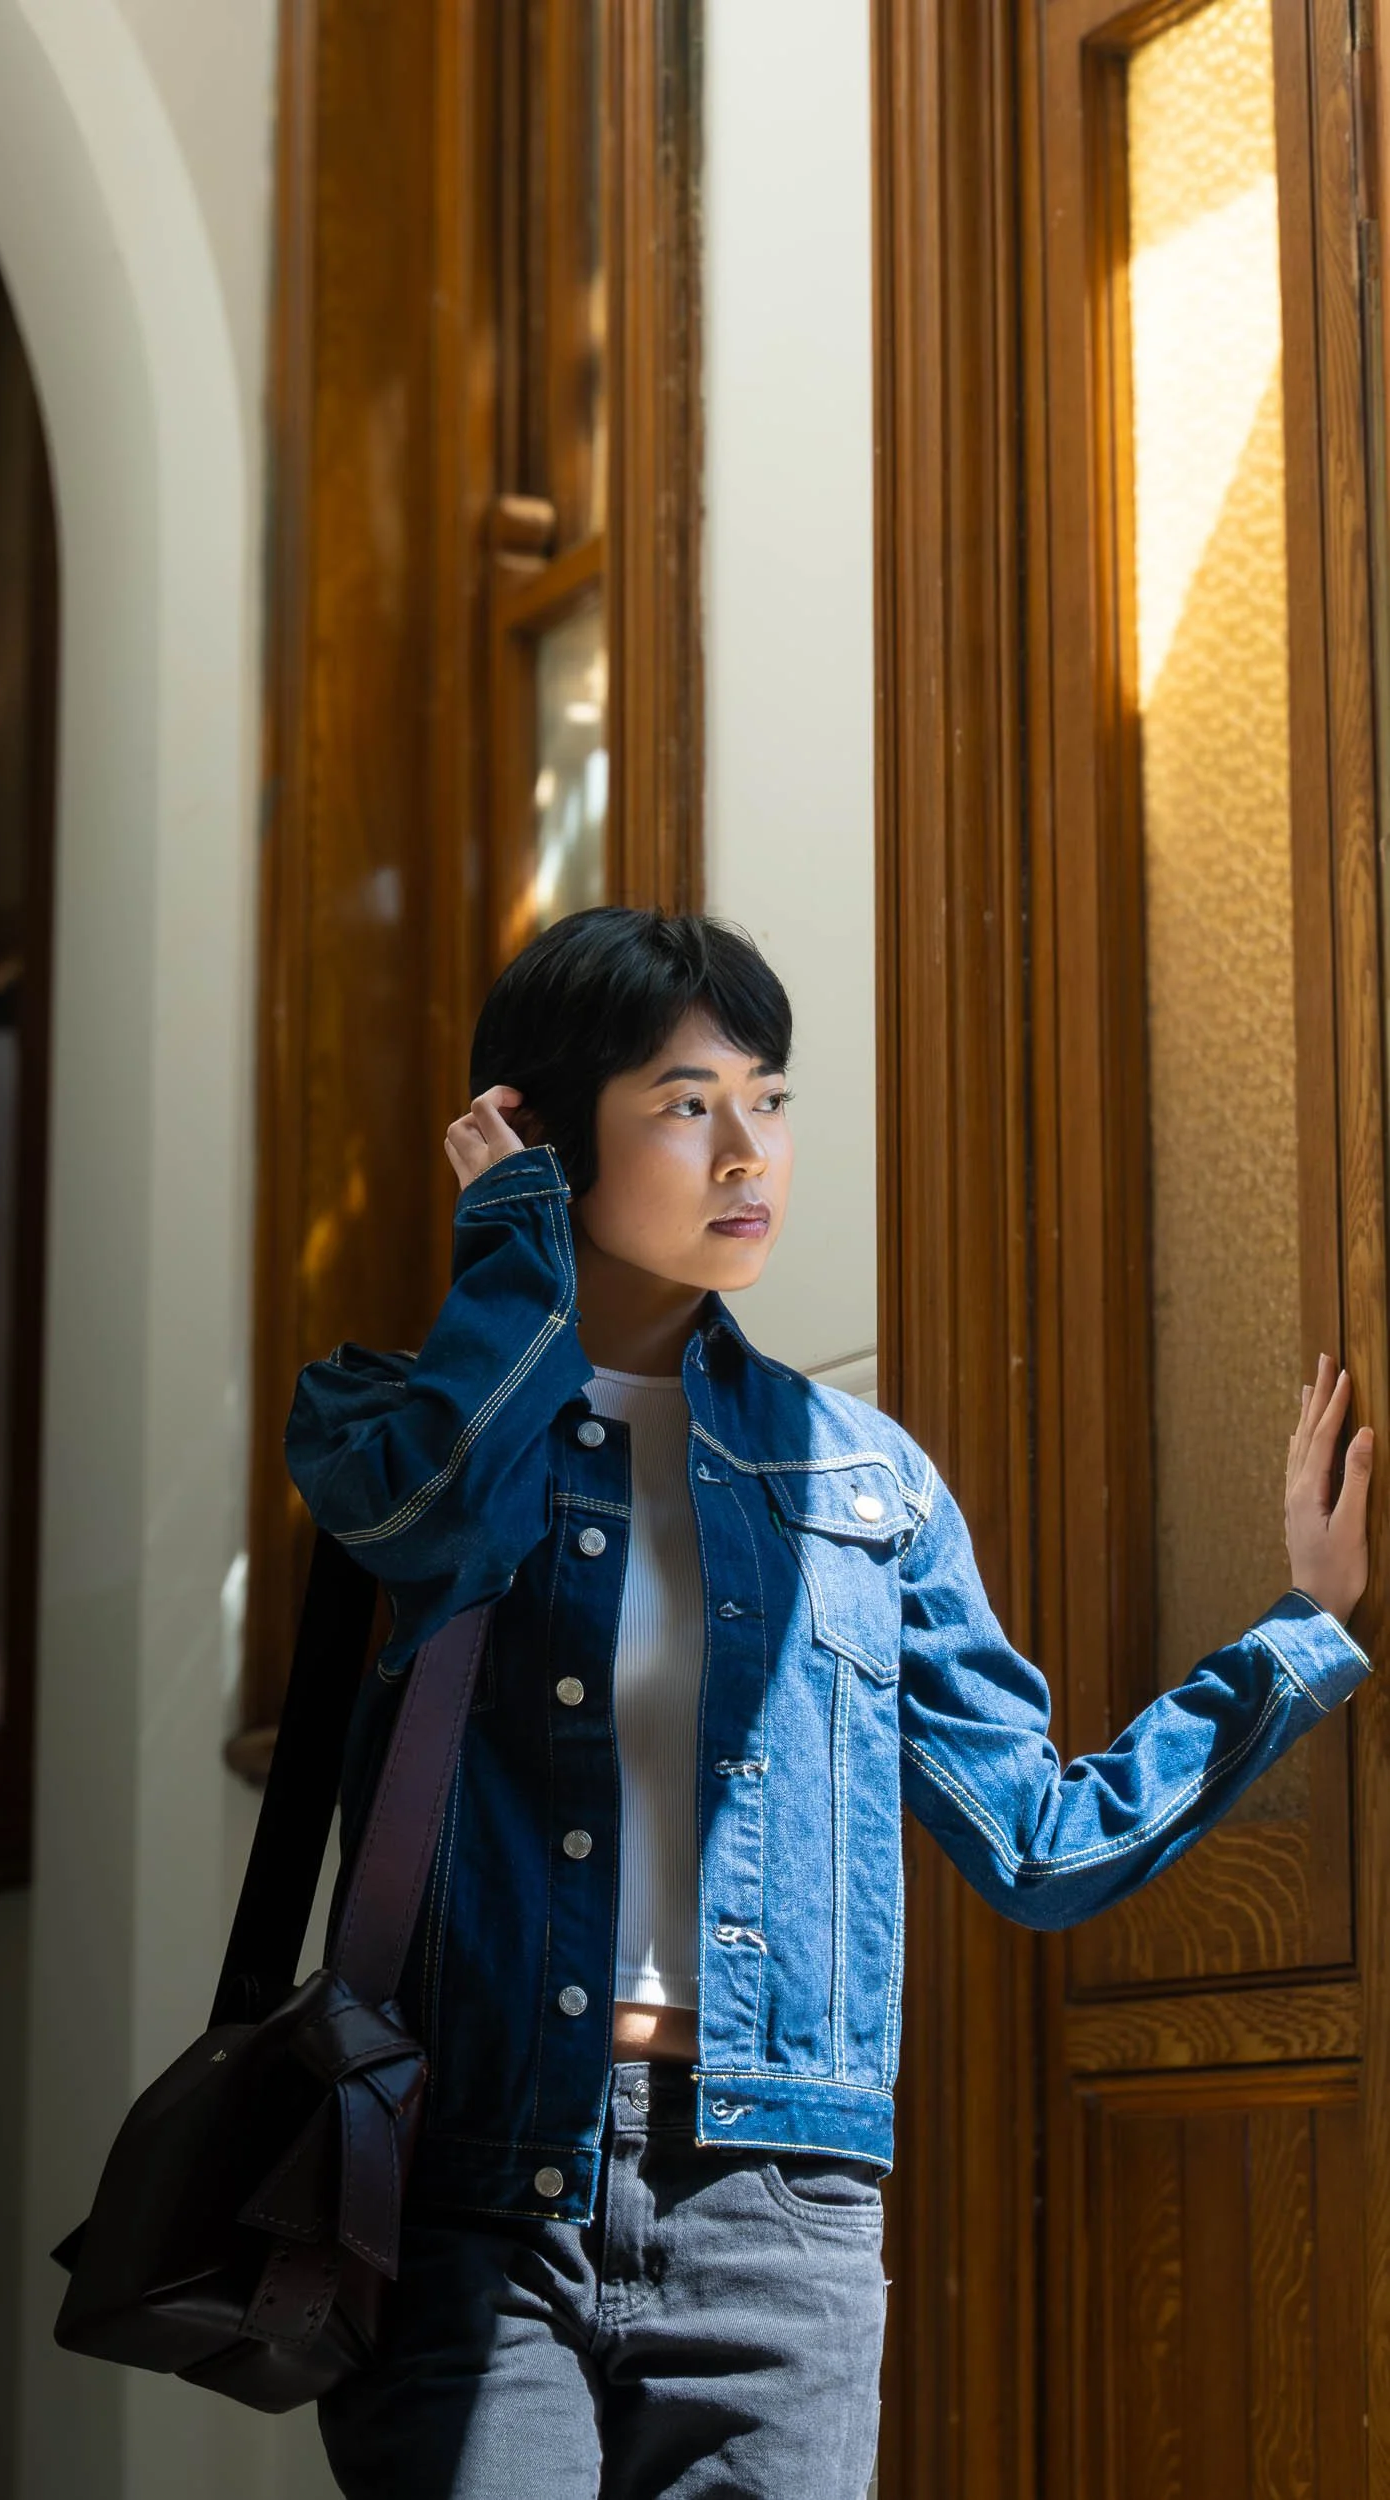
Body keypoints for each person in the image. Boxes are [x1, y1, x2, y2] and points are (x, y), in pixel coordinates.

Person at [284, 905, 1374, 2500]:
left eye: (769, 1097)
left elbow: (1038, 1843)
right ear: (536, 1135)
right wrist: (513, 1246)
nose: (747, 1152)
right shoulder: (380, 1420)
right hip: (469, 2196)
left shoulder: (864, 1483)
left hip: (774, 2214)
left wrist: (1298, 1634)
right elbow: (434, 1515)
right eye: (682, 1102)